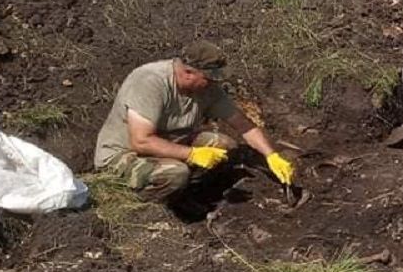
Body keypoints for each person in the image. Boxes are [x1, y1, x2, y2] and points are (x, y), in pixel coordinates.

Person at [93, 40, 294, 202]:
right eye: (209, 78)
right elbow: (141, 141)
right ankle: (141, 205)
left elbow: (242, 124)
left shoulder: (207, 88)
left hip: (170, 143)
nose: (215, 83)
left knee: (224, 146)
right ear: (188, 72)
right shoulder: (150, 82)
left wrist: (271, 155)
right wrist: (192, 154)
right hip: (123, 154)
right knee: (176, 174)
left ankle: (188, 194)